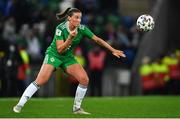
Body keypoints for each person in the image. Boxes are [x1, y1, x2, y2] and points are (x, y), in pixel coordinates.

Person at [13, 7, 126, 114]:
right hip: (54, 55)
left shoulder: (81, 29)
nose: (79, 20)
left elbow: (97, 40)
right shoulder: (60, 28)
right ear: (69, 18)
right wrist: (70, 38)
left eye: (80, 17)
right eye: (76, 17)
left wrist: (112, 50)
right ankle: (20, 104)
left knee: (84, 79)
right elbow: (60, 49)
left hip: (67, 57)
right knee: (41, 80)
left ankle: (76, 108)